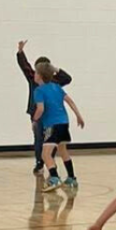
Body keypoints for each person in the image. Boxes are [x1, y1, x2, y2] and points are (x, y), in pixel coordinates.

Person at [17, 41, 72, 174]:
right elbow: (25, 66)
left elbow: (68, 78)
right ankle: (40, 163)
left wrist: (54, 68)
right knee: (39, 139)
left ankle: (49, 163)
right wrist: (20, 52)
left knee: (49, 141)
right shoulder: (33, 78)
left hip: (50, 116)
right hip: (37, 113)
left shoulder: (54, 81)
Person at [33, 61, 85, 192]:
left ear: (39, 75)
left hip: (52, 125)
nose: (34, 74)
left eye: (35, 72)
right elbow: (70, 101)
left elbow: (40, 108)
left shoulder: (39, 91)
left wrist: (35, 119)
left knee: (45, 155)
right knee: (63, 150)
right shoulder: (56, 87)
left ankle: (54, 179)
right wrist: (79, 116)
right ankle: (72, 178)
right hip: (64, 123)